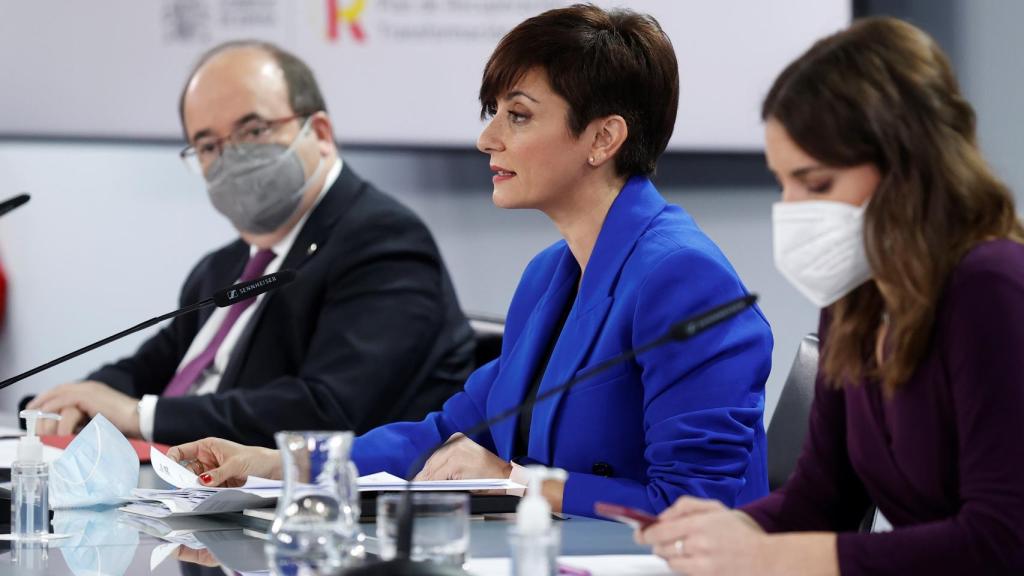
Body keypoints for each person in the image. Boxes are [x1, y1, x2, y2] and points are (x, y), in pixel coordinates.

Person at [169, 4, 773, 518]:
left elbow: (696, 509)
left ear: (603, 138)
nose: (489, 139)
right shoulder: (548, 275)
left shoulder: (684, 279)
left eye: (519, 115)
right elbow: (444, 435)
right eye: (494, 114)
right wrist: (278, 464)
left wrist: (517, 480)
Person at [637, 17, 1024, 575]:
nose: (793, 207)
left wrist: (770, 557)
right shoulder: (855, 297)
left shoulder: (991, 287)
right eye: (783, 182)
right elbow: (821, 498)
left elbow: (1000, 540)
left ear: (908, 169)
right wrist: (731, 529)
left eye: (816, 184)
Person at [28, 41, 475, 447]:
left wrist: (138, 416)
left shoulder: (382, 242)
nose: (231, 157)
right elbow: (146, 369)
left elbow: (330, 410)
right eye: (207, 144)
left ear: (319, 132)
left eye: (254, 130)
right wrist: (75, 402)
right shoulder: (224, 267)